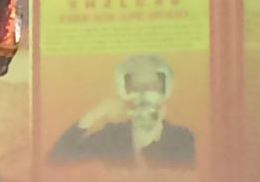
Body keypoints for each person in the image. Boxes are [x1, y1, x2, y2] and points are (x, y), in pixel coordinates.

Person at [48, 53, 196, 168]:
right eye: (136, 87)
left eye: (152, 86)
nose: (144, 94)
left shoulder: (181, 137)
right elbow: (57, 159)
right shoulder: (111, 135)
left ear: (165, 89)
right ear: (123, 91)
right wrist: (95, 115)